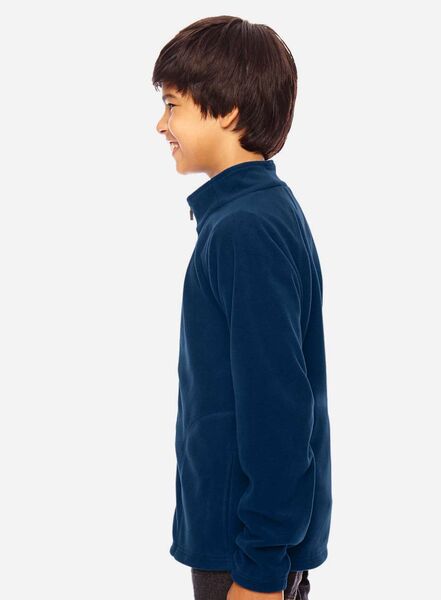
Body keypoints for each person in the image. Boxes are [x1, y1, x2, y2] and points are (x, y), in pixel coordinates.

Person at [152, 15, 332, 600]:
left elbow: (279, 410)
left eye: (172, 105)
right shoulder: (253, 215)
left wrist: (259, 569)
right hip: (245, 551)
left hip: (243, 561)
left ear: (227, 111)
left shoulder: (245, 229)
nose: (161, 124)